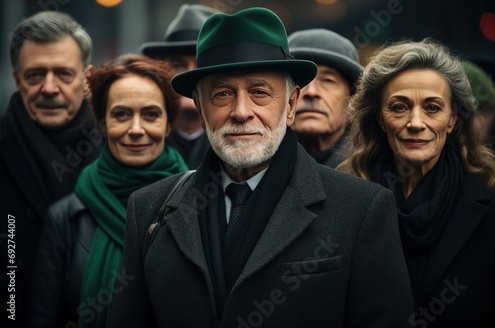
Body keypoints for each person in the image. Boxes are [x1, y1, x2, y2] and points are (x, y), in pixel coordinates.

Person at [110, 8, 414, 327]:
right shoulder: (148, 209)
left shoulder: (362, 210)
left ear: (291, 104)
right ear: (200, 109)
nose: (241, 112)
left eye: (259, 92)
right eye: (223, 94)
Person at [337, 38, 495, 327]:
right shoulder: (346, 206)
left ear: (452, 120)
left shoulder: (491, 213)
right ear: (380, 119)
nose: (415, 121)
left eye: (433, 108)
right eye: (399, 107)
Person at [27, 54, 188, 327]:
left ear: (169, 124)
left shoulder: (199, 203)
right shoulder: (66, 218)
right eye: (121, 114)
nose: (136, 129)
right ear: (103, 124)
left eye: (150, 114)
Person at [0, 11, 100, 326]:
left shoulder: (121, 151)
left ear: (87, 80)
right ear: (17, 79)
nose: (49, 87)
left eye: (64, 74)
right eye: (35, 75)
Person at [140, 4, 217, 169]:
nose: (189, 74)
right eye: (178, 65)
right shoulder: (140, 138)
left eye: (200, 65)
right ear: (162, 72)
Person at [288, 28, 363, 167]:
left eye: (328, 80)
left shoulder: (373, 169)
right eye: (299, 80)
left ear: (352, 100)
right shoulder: (253, 168)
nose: (311, 92)